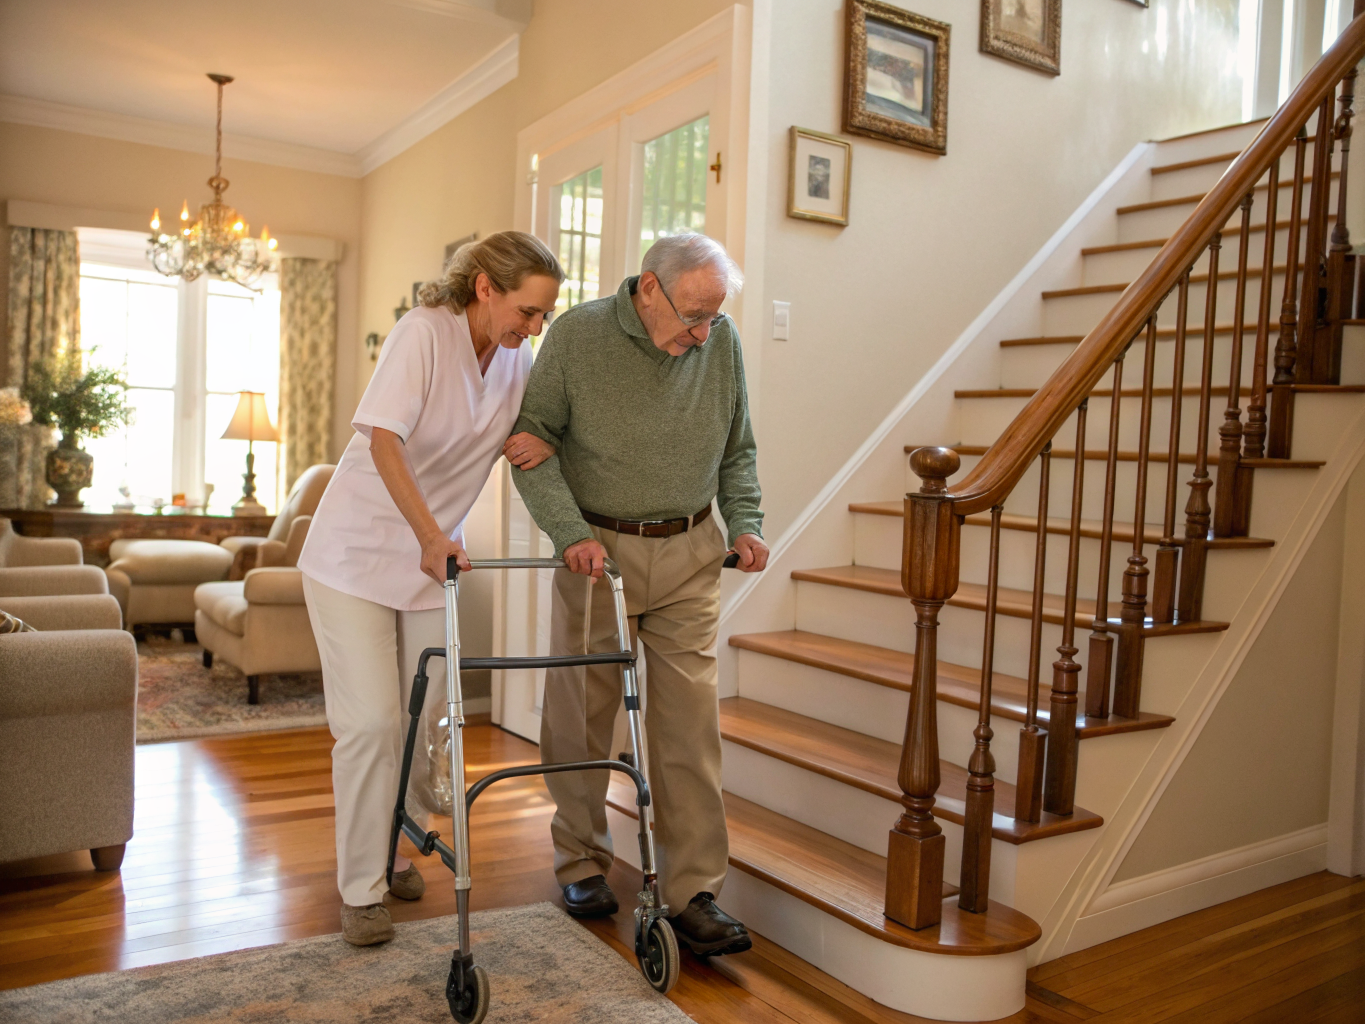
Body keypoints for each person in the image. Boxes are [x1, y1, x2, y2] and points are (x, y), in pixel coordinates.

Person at [297, 231, 563, 946]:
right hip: (355, 554)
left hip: (427, 559)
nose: (534, 328)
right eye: (527, 311)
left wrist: (545, 446)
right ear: (484, 288)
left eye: (543, 317)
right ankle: (361, 891)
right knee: (373, 723)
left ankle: (391, 844)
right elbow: (383, 439)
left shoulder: (516, 361)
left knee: (424, 727)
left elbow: (521, 438)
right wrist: (428, 535)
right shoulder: (423, 333)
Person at [507, 232, 767, 958]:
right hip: (599, 550)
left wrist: (744, 524)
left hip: (690, 550)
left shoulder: (721, 343)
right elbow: (532, 442)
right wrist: (568, 534)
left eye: (713, 316)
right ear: (647, 288)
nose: (702, 333)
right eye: (692, 315)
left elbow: (737, 446)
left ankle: (693, 891)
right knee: (583, 713)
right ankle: (582, 862)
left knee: (689, 725)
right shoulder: (578, 336)